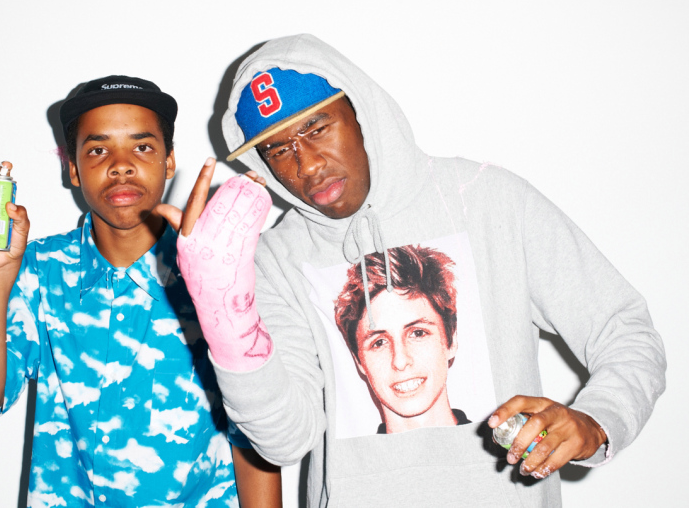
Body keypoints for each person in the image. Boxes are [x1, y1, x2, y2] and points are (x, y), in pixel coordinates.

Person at [163, 34, 667, 507]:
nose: (307, 165)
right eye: (278, 149)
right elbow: (285, 441)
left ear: (361, 112)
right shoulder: (277, 259)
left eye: (317, 128)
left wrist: (597, 420)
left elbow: (623, 329)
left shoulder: (487, 201)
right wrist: (223, 311)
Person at [0, 75, 281, 507]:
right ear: (72, 169)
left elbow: (254, 431)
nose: (121, 165)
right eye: (98, 150)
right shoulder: (41, 271)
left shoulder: (219, 269)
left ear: (169, 162)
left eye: (141, 147)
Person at [334, 244, 469, 433]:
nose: (400, 361)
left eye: (418, 333)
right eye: (379, 343)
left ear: (451, 340)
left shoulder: (500, 441)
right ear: (359, 362)